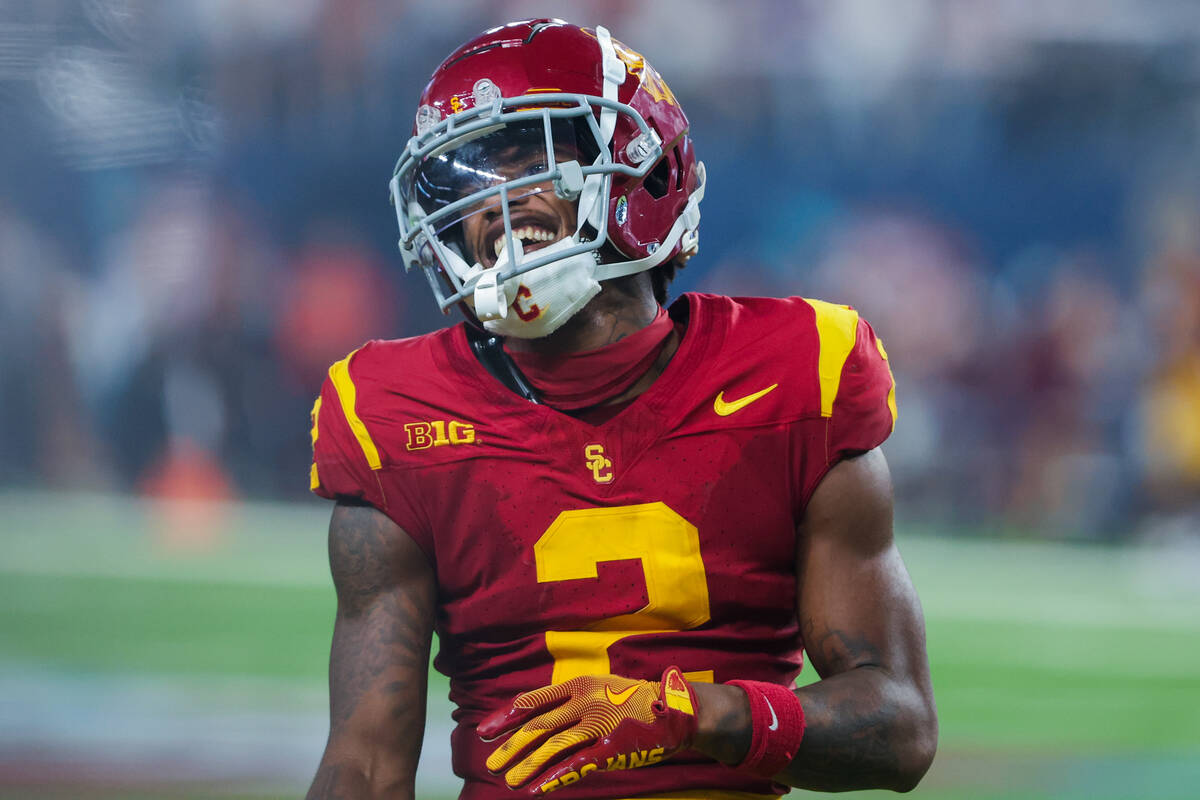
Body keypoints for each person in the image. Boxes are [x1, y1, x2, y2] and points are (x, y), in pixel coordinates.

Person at [305, 18, 937, 800]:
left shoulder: (796, 375)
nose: (493, 200)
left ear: (644, 173)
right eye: (467, 176)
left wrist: (684, 716)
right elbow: (364, 765)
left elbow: (902, 729)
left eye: (531, 158)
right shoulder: (393, 411)